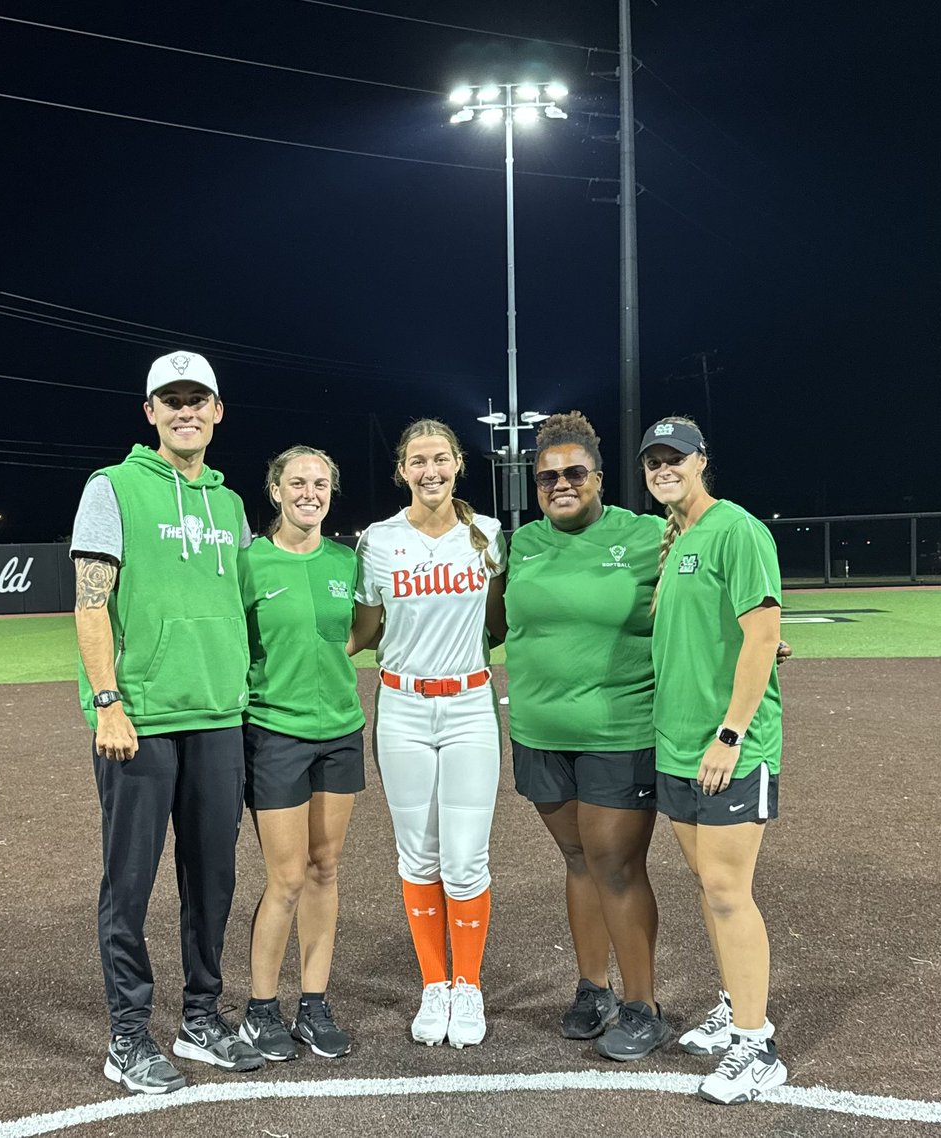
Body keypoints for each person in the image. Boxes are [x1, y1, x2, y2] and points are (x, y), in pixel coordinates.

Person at [71, 350, 263, 1095]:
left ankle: (201, 1018)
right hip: (140, 721)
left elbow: (245, 604)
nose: (185, 411)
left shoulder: (232, 503)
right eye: (169, 400)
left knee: (213, 878)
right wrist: (107, 702)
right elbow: (91, 603)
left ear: (218, 410)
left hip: (219, 716)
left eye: (198, 399)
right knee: (130, 881)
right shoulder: (112, 488)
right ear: (149, 411)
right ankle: (128, 1036)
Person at [504, 411, 674, 1061]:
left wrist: (753, 636)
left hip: (619, 730)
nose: (560, 483)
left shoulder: (647, 534)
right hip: (540, 729)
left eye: (574, 472)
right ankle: (592, 987)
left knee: (616, 864)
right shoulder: (524, 544)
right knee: (577, 861)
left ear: (599, 477)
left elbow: (700, 592)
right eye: (547, 476)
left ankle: (642, 1004)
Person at [642, 414, 789, 1104]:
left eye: (675, 458)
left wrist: (730, 734)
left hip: (726, 747)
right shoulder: (678, 540)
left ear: (702, 459)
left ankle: (757, 1048)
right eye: (653, 461)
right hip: (677, 746)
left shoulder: (737, 529)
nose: (664, 469)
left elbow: (761, 637)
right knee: (711, 889)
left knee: (730, 892)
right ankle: (736, 1005)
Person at [350, 419, 507, 1049]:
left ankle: (467, 986)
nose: (430, 470)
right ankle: (434, 985)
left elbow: (500, 622)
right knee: (418, 854)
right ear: (402, 470)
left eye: (439, 458)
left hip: (470, 704)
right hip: (404, 708)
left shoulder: (489, 535)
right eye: (418, 461)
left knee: (466, 860)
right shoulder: (378, 541)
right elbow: (362, 630)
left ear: (457, 463)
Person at [236, 446, 364, 1061]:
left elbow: (365, 630)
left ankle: (314, 1003)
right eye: (297, 482)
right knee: (284, 877)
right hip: (275, 732)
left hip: (340, 729)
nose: (309, 493)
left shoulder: (347, 561)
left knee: (325, 868)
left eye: (320, 483)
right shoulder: (249, 563)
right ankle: (260, 1009)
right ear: (275, 489)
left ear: (331, 492)